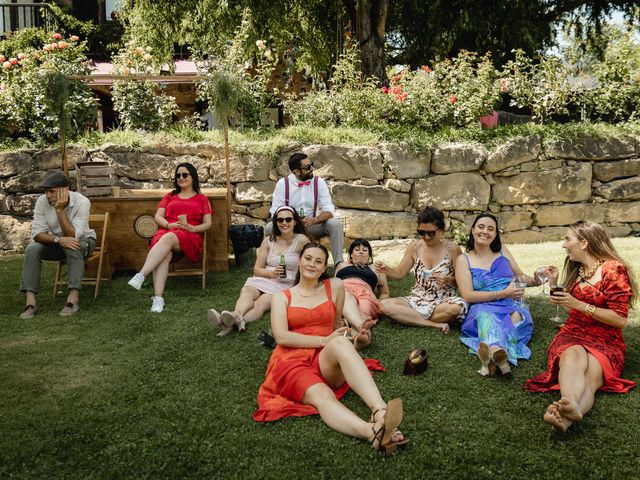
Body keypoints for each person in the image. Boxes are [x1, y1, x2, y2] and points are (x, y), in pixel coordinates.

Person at [253, 242, 408, 455]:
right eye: (308, 258)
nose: (312, 264)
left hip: (323, 356)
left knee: (340, 341)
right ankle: (372, 433)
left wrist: (352, 336)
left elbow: (335, 326)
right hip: (291, 361)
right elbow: (281, 337)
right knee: (322, 394)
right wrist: (323, 341)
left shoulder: (335, 286)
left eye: (318, 261)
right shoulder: (283, 297)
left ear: (324, 266)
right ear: (299, 261)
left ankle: (380, 412)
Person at [524, 221, 637, 432]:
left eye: (568, 239)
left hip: (606, 339)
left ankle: (566, 412)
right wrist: (556, 284)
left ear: (584, 243)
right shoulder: (579, 270)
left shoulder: (612, 270)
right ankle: (570, 407)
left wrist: (580, 305)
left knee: (590, 378)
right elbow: (572, 309)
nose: (564, 245)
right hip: (573, 332)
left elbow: (620, 319)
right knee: (572, 356)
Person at [455, 212, 537, 376]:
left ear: (495, 234)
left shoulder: (502, 251)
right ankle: (499, 358)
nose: (485, 231)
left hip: (511, 304)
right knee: (486, 318)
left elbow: (520, 277)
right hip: (482, 305)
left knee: (517, 316)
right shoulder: (463, 260)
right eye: (481, 227)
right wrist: (504, 293)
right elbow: (468, 295)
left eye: (491, 229)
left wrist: (538, 280)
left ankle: (493, 356)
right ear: (472, 230)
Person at [209, 206, 310, 336]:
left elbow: (309, 264)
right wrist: (272, 274)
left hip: (286, 283)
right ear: (276, 222)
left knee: (261, 302)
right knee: (247, 292)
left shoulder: (301, 240)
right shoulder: (269, 240)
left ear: (295, 221)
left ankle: (229, 323)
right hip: (265, 277)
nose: (284, 223)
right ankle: (236, 315)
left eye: (288, 219)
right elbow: (257, 269)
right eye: (280, 220)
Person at [127, 163, 212, 313]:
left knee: (166, 239)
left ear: (193, 177)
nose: (181, 178)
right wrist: (168, 225)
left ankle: (141, 275)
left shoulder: (202, 199)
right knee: (164, 253)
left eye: (185, 175)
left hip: (189, 234)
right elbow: (158, 216)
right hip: (167, 230)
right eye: (178, 175)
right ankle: (158, 298)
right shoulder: (170, 196)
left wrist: (194, 228)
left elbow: (208, 223)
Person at [376, 206, 467, 334]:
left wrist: (447, 280)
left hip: (443, 301)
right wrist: (386, 269)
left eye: (431, 233)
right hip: (417, 299)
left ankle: (409, 317)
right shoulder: (414, 247)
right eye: (421, 232)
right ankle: (433, 324)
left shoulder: (452, 249)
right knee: (383, 305)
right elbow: (400, 272)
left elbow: (462, 282)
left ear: (440, 229)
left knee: (457, 308)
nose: (426, 237)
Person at [19, 171, 96, 318]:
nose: (47, 195)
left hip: (84, 241)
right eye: (46, 191)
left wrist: (60, 209)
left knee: (72, 245)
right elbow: (37, 234)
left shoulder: (82, 202)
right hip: (57, 242)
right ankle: (30, 303)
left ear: (64, 190)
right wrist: (58, 240)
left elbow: (73, 236)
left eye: (52, 192)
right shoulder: (43, 201)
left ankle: (72, 300)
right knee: (32, 249)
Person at [267, 152, 344, 266]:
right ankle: (271, 264)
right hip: (290, 226)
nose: (312, 168)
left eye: (311, 164)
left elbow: (329, 210)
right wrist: (292, 221)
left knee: (335, 224)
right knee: (269, 228)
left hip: (312, 226)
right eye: (308, 167)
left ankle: (339, 265)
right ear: (296, 171)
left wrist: (314, 220)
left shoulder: (319, 182)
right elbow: (275, 210)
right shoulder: (283, 184)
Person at [335, 238, 390, 349]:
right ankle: (362, 328)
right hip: (344, 288)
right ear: (351, 254)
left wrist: (380, 301)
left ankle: (359, 339)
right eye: (357, 249)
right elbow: (333, 283)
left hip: (366, 293)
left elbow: (385, 293)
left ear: (369, 255)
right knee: (347, 297)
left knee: (363, 314)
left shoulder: (376, 268)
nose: (361, 251)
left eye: (365, 250)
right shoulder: (341, 265)